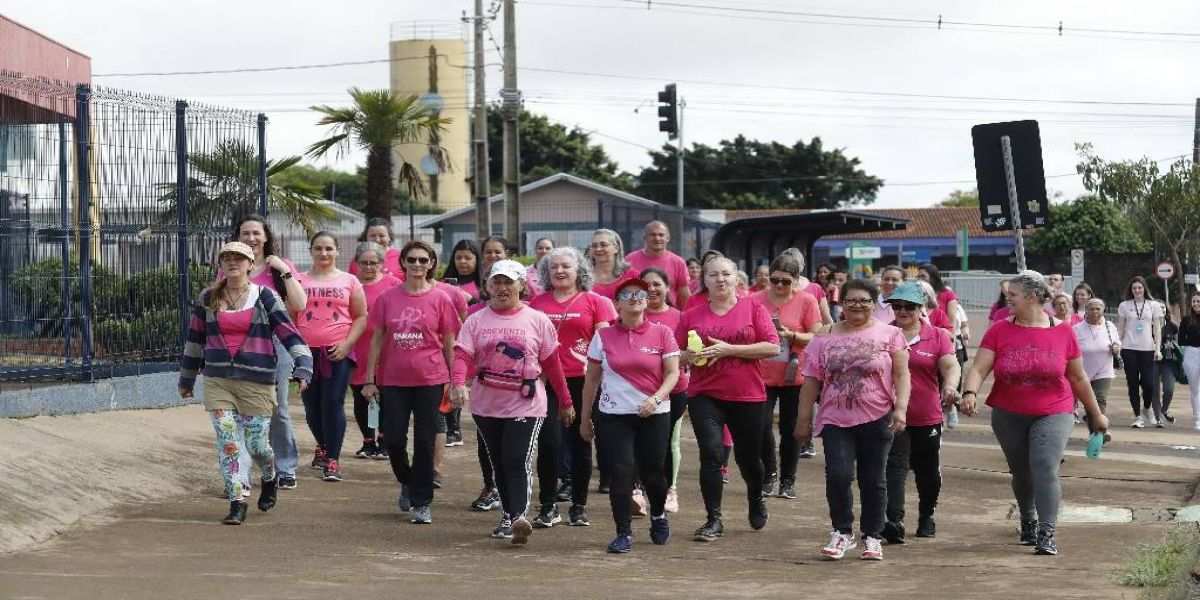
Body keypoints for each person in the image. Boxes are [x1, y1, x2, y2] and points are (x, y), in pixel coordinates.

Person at [961, 270, 1110, 556]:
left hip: (1054, 410)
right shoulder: (999, 329)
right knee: (1021, 472)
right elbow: (979, 368)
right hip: (1008, 412)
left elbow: (1078, 377)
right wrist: (970, 393)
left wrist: (1096, 414)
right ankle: (1028, 519)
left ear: (1031, 297)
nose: (1007, 299)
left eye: (1012, 295)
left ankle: (1046, 531)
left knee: (1044, 466)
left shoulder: (1063, 331)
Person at [179, 242, 313, 524]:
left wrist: (303, 366)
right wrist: (187, 379)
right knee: (228, 441)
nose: (233, 263)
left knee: (257, 445)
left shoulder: (265, 296)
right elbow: (195, 340)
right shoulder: (208, 298)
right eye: (226, 258)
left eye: (239, 258)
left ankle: (269, 475)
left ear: (251, 264)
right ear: (220, 265)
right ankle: (237, 501)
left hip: (257, 381)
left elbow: (288, 333)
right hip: (218, 381)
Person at [449, 260, 573, 545]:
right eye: (497, 282)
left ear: (521, 286)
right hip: (487, 403)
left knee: (516, 459)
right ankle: (507, 516)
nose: (502, 288)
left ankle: (518, 517)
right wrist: (457, 383)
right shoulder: (476, 320)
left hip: (526, 403)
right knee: (499, 461)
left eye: (509, 282)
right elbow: (463, 355)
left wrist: (565, 401)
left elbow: (552, 365)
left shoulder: (538, 320)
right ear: (488, 286)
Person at [797, 278, 910, 562]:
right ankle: (842, 532)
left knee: (873, 479)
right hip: (835, 417)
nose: (857, 306)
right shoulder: (824, 335)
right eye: (850, 301)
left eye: (864, 301)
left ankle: (872, 536)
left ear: (874, 303)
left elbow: (901, 375)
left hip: (877, 415)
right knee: (838, 474)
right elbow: (810, 380)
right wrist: (803, 420)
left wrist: (901, 409)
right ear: (841, 304)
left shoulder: (891, 334)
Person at [677, 256, 781, 542]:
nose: (720, 279)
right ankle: (713, 519)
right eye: (713, 275)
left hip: (747, 395)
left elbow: (773, 347)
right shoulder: (691, 315)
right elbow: (674, 355)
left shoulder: (754, 308)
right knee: (711, 454)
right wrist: (689, 356)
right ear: (704, 281)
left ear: (736, 278)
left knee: (749, 459)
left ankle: (755, 498)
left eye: (726, 274)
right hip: (704, 394)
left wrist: (729, 349)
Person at [361, 241, 462, 524]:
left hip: (431, 379)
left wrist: (454, 380)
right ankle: (407, 480)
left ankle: (422, 501)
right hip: (393, 380)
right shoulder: (387, 298)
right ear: (403, 263)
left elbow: (450, 343)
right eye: (412, 260)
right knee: (392, 439)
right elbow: (377, 340)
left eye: (423, 260)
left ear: (431, 264)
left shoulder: (441, 299)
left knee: (425, 441)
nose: (417, 265)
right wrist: (369, 379)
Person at [580, 277, 681, 553]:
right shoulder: (603, 336)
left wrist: (655, 399)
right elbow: (592, 380)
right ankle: (623, 532)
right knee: (621, 471)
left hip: (654, 413)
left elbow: (673, 373)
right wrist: (585, 418)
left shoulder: (662, 333)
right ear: (617, 303)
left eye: (640, 294)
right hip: (614, 415)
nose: (635, 298)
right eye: (627, 294)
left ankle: (658, 516)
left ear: (647, 301)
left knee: (653, 473)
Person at [528, 246, 617, 528]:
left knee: (581, 442)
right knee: (549, 443)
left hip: (583, 381)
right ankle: (548, 505)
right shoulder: (536, 303)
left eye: (566, 265)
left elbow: (605, 343)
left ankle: (579, 506)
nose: (559, 271)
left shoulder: (596, 302)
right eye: (553, 267)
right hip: (547, 382)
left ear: (579, 270)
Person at [231, 215, 306, 490]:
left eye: (256, 233)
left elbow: (300, 304)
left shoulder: (279, 267)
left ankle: (286, 468)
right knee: (241, 411)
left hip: (276, 343)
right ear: (238, 237)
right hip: (239, 345)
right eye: (245, 233)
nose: (251, 238)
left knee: (277, 409)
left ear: (266, 237)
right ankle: (242, 475)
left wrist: (283, 270)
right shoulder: (230, 267)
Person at [882, 282, 960, 543]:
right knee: (895, 466)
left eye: (909, 306)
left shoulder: (937, 335)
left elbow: (950, 366)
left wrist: (950, 385)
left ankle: (927, 515)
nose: (902, 311)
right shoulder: (884, 334)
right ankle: (894, 520)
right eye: (897, 306)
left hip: (926, 414)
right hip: (892, 414)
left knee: (927, 471)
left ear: (921, 308)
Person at [296, 232, 368, 482]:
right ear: (311, 251)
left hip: (337, 353)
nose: (323, 253)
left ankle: (333, 459)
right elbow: (290, 316)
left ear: (337, 251)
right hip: (305, 354)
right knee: (311, 406)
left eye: (328, 248)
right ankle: (323, 444)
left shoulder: (350, 281)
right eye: (318, 248)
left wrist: (347, 345)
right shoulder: (299, 280)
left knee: (333, 403)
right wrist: (296, 350)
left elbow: (361, 317)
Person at [754, 252, 822, 499]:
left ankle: (788, 480)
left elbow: (817, 336)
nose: (779, 286)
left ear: (796, 280)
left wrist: (791, 335)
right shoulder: (754, 300)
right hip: (761, 373)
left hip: (795, 374)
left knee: (791, 428)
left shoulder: (807, 301)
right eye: (774, 280)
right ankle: (769, 474)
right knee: (761, 426)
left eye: (785, 281)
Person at [348, 242, 402, 459]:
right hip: (357, 348)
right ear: (356, 263)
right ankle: (368, 441)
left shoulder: (394, 284)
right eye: (364, 263)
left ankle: (385, 440)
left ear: (381, 263)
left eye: (373, 262)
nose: (368, 267)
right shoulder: (351, 284)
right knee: (361, 397)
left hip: (387, 350)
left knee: (387, 398)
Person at [641, 267, 688, 512]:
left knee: (670, 440)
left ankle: (671, 489)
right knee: (639, 440)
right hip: (637, 389)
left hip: (674, 389)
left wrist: (673, 358)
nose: (651, 289)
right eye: (646, 284)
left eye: (657, 284)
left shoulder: (680, 317)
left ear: (668, 288)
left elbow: (691, 353)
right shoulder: (632, 315)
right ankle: (637, 490)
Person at [1117, 276, 1165, 428]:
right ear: (1131, 290)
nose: (1137, 290)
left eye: (1139, 288)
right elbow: (1120, 329)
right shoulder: (1124, 305)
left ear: (1144, 288)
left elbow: (1157, 329)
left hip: (1147, 349)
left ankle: (1147, 408)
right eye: (1134, 288)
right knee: (1132, 383)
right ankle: (1138, 416)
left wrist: (1158, 349)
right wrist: (1117, 345)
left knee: (1148, 384)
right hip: (1128, 348)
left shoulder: (1153, 305)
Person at [1073, 298, 1120, 430]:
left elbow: (1117, 342)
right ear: (1086, 311)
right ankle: (1094, 431)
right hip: (1083, 372)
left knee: (1100, 399)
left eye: (1098, 309)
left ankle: (1099, 433)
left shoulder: (1109, 326)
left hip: (1104, 370)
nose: (1095, 311)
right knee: (1089, 403)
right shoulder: (1077, 329)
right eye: (1091, 309)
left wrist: (1116, 347)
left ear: (1103, 310)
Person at [625, 220, 692, 306]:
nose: (657, 238)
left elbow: (684, 295)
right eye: (652, 235)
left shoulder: (678, 262)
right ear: (645, 238)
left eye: (661, 235)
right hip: (638, 312)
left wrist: (680, 313)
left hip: (669, 312)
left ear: (668, 238)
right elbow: (624, 291)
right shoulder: (630, 260)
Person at [590, 229, 640, 301]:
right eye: (594, 246)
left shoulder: (633, 276)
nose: (598, 249)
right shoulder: (582, 278)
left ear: (616, 248)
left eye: (603, 245)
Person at [1157, 304, 1183, 424]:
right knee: (1151, 388)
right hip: (1151, 361)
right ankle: (1156, 414)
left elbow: (1178, 342)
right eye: (1158, 307)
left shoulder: (1172, 326)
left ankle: (1164, 410)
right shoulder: (1147, 324)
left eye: (1163, 307)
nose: (1161, 309)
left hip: (1167, 362)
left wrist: (1173, 346)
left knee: (1169, 389)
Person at [1179, 294, 1200, 431]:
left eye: (1198, 301)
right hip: (1192, 353)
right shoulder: (1186, 320)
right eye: (1194, 301)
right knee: (1195, 389)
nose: (1196, 303)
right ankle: (1198, 418)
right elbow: (1181, 339)